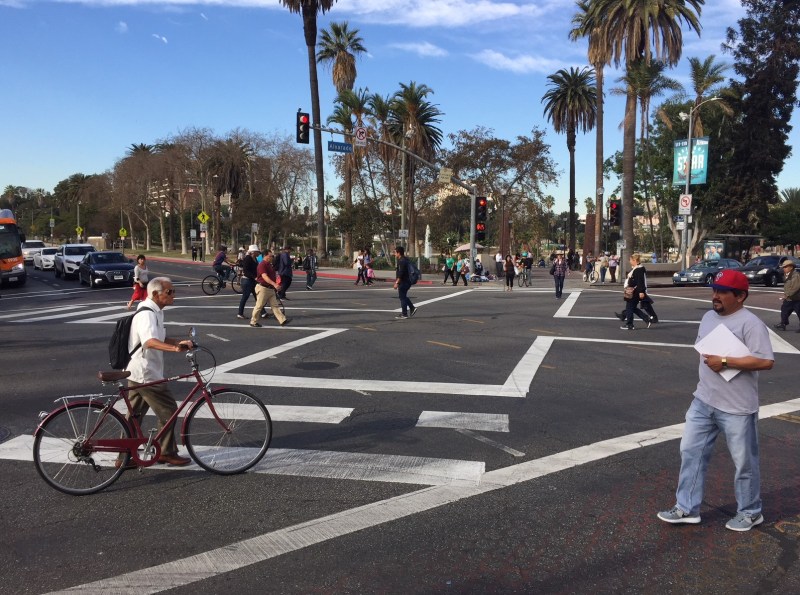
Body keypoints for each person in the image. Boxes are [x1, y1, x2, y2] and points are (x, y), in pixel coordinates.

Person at [658, 269, 774, 531]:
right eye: (714, 290)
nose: (715, 296)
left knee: (744, 463)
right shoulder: (709, 317)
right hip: (703, 399)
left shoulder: (751, 323)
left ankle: (751, 511)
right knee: (691, 453)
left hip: (737, 407)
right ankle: (686, 508)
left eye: (722, 291)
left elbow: (766, 361)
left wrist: (725, 361)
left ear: (741, 296)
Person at [121, 277, 194, 468]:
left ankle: (124, 456)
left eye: (173, 291)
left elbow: (159, 337)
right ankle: (166, 453)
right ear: (155, 294)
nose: (173, 295)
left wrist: (178, 342)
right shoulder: (147, 314)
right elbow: (149, 341)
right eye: (169, 292)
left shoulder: (155, 311)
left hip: (137, 370)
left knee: (134, 415)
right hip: (146, 372)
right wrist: (175, 349)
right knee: (169, 410)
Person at [250, 249, 290, 327]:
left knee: (275, 306)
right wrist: (274, 284)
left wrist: (275, 285)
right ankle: (253, 321)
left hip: (270, 288)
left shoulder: (269, 264)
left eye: (272, 256)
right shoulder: (262, 264)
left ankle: (282, 320)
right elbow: (264, 276)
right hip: (263, 288)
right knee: (259, 306)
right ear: (265, 256)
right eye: (270, 256)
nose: (272, 257)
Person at [617, 253, 651, 330]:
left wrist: (641, 292)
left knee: (629, 308)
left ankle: (629, 324)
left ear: (635, 260)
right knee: (632, 308)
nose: (630, 261)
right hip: (634, 291)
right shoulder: (637, 268)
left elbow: (640, 281)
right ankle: (646, 319)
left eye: (631, 260)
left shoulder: (638, 269)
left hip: (634, 292)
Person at [775, 259, 800, 331]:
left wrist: (787, 295)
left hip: (796, 298)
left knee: (799, 312)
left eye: (785, 267)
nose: (784, 268)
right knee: (784, 310)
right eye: (783, 267)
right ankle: (783, 324)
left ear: (791, 267)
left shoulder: (795, 275)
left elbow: (796, 287)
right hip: (789, 298)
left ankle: (783, 323)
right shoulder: (787, 274)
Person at [393, 245, 416, 319]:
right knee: (403, 297)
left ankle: (404, 314)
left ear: (399, 253)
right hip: (407, 281)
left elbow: (401, 273)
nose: (394, 254)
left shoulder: (402, 261)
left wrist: (397, 283)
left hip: (404, 282)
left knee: (402, 297)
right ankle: (412, 308)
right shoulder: (405, 259)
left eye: (395, 252)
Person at [237, 245, 260, 320]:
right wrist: (254, 277)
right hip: (247, 280)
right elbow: (246, 271)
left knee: (258, 296)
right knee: (245, 297)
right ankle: (240, 313)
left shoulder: (255, 259)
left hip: (253, 280)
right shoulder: (248, 258)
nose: (258, 253)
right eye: (257, 252)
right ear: (253, 252)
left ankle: (263, 312)